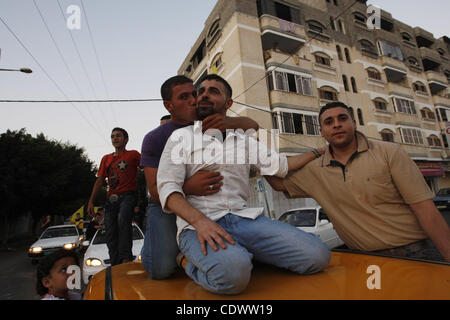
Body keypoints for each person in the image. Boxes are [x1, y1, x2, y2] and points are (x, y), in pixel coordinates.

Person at [157, 74, 330, 295]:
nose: (204, 95)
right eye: (201, 91)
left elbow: (282, 165)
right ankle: (186, 262)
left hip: (245, 219)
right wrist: (201, 222)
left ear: (228, 103)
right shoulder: (180, 137)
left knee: (318, 256)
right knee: (231, 276)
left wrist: (319, 151)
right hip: (198, 225)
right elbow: (167, 189)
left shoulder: (244, 140)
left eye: (214, 91)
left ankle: (242, 253)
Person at [265, 102, 450, 262]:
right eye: (329, 122)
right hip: (364, 260)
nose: (336, 125)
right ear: (321, 131)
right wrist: (253, 154)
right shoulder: (315, 170)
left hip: (415, 253)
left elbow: (425, 210)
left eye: (342, 118)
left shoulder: (389, 152)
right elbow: (279, 184)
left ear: (354, 122)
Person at [140, 75, 260, 280]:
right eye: (184, 97)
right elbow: (154, 190)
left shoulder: (210, 120)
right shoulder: (155, 138)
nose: (194, 100)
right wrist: (188, 187)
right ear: (169, 106)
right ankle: (175, 255)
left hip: (209, 205)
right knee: (161, 268)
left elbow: (252, 125)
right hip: (165, 205)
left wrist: (231, 122)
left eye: (194, 94)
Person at [87, 127, 141, 266]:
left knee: (123, 220)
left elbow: (147, 168)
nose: (115, 138)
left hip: (128, 195)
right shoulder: (106, 158)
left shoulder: (133, 155)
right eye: (112, 136)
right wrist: (91, 201)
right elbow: (100, 180)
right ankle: (115, 262)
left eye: (118, 135)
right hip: (111, 198)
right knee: (110, 229)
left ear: (126, 139)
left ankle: (126, 258)